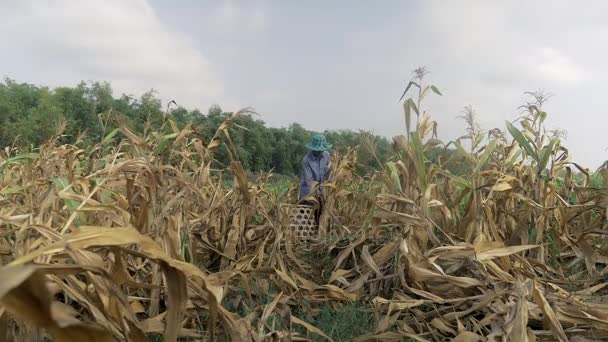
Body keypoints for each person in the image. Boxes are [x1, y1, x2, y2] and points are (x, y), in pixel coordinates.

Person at [299, 133, 332, 223]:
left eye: (321, 150)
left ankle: (319, 233)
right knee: (307, 217)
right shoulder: (306, 160)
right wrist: (316, 192)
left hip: (323, 192)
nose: (319, 152)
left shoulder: (326, 156)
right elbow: (308, 179)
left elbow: (329, 172)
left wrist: (328, 187)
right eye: (317, 150)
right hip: (309, 193)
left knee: (320, 216)